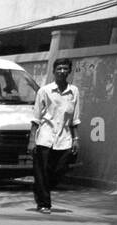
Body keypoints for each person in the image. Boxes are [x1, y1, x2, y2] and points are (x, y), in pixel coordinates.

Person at [29, 58, 81, 214]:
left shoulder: (74, 91)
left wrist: (76, 139)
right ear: (54, 71)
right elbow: (36, 117)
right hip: (45, 137)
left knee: (59, 169)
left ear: (69, 71)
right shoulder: (44, 91)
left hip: (64, 138)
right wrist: (32, 139)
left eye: (65, 69)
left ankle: (40, 188)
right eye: (59, 69)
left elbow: (75, 118)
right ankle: (44, 203)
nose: (62, 71)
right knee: (42, 170)